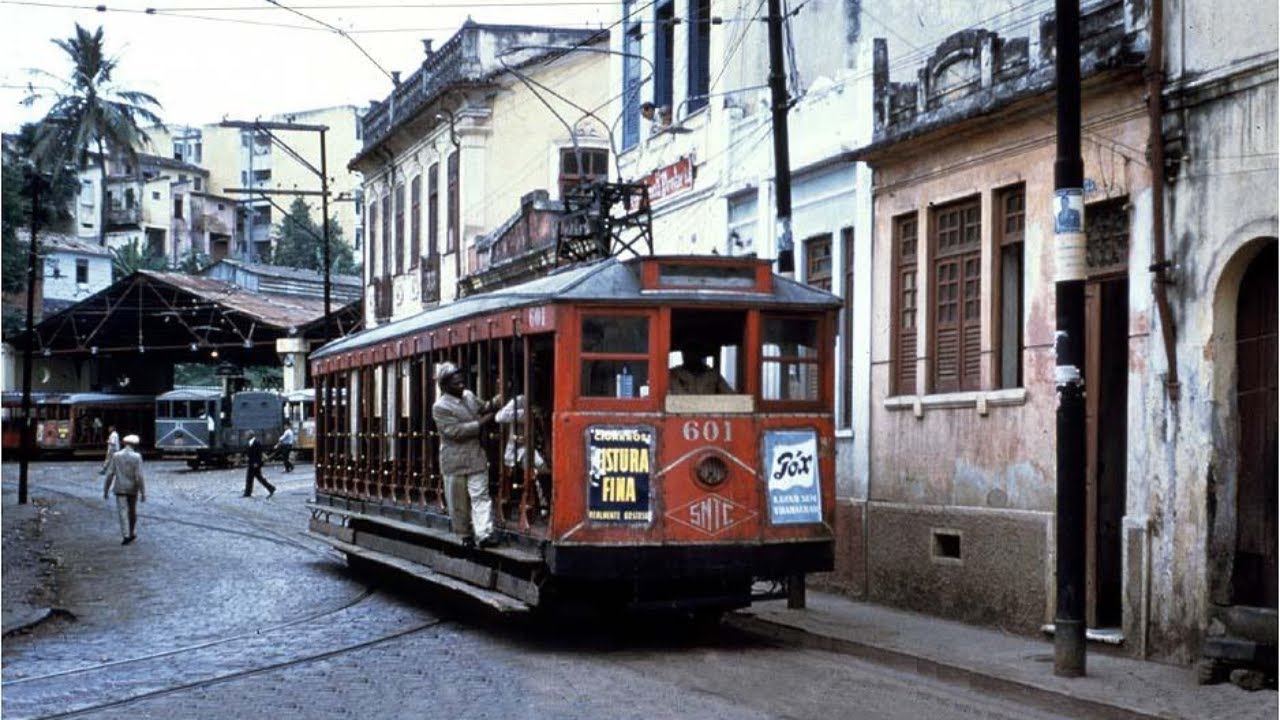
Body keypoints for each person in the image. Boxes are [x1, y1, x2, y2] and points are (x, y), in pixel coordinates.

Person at [432, 362, 502, 548]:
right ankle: (464, 534)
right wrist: (481, 424)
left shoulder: (469, 396)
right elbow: (454, 432)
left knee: (480, 495)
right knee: (458, 502)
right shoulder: (440, 407)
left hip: (475, 455)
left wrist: (498, 399)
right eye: (456, 384)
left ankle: (484, 534)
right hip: (453, 460)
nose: (461, 386)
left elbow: (484, 407)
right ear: (444, 386)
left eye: (462, 382)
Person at [103, 434, 146, 545]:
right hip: (133, 488)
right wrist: (143, 492)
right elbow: (139, 476)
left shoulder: (116, 456)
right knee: (132, 511)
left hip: (120, 487)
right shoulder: (137, 457)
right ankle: (132, 532)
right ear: (135, 445)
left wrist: (106, 490)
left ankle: (125, 535)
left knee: (122, 512)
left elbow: (110, 474)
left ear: (124, 443)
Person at [668, 339, 733, 394]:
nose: (691, 355)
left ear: (701, 354)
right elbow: (676, 394)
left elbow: (730, 394)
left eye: (694, 351)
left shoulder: (713, 375)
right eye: (688, 351)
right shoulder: (674, 374)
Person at [242, 431, 276, 498]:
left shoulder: (257, 443)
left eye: (246, 435)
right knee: (257, 477)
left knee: (250, 478)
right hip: (251, 463)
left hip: (255, 463)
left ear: (250, 435)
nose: (245, 436)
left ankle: (247, 493)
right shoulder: (249, 443)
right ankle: (270, 488)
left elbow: (259, 454)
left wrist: (256, 463)